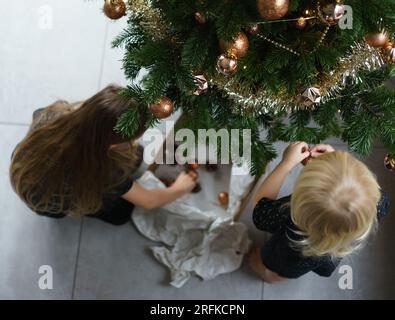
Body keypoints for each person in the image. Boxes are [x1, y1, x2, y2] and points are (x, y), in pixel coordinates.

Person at [9, 85, 196, 226]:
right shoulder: (105, 171)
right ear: (113, 145)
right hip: (48, 204)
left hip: (29, 174)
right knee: (122, 214)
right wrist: (181, 188)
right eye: (130, 140)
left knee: (136, 155)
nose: (133, 143)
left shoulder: (53, 114)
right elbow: (148, 201)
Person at [249, 142, 390, 283]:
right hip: (325, 258)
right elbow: (369, 189)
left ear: (300, 203)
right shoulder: (379, 202)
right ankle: (279, 276)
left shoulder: (288, 214)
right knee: (291, 271)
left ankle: (269, 275)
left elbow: (260, 208)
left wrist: (286, 164)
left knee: (275, 268)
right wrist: (334, 161)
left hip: (289, 256)